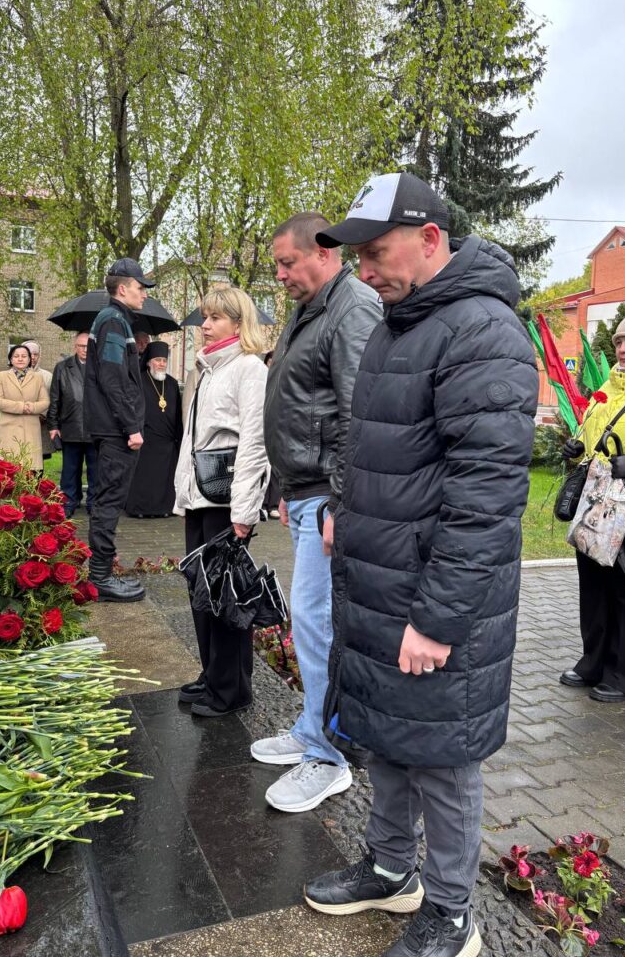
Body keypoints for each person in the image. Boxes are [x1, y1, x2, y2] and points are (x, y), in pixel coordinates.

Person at [303, 173, 538, 957]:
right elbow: (382, 443)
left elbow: (486, 497)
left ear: (430, 239)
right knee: (390, 735)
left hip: (435, 597)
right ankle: (389, 867)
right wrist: (345, 509)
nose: (363, 269)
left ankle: (451, 912)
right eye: (359, 255)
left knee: (442, 757)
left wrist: (437, 620)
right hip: (382, 581)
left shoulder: (482, 330)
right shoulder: (401, 322)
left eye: (376, 252)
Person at [251, 211, 381, 813]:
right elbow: (302, 403)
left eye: (287, 262)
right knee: (310, 622)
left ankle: (330, 756)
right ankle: (311, 729)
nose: (280, 275)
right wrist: (287, 486)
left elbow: (359, 414)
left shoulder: (351, 309)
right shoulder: (311, 308)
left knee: (318, 624)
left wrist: (339, 500)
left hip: (330, 498)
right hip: (306, 492)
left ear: (324, 253)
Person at [174, 286, 269, 717]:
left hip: (226, 499)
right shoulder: (209, 368)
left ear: (238, 323)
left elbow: (255, 442)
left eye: (215, 318)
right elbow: (192, 439)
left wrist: (244, 511)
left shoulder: (249, 368)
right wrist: (183, 495)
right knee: (201, 592)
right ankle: (213, 674)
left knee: (226, 597)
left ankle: (232, 689)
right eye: (204, 317)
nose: (205, 325)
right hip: (200, 495)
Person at [559, 312, 625, 703]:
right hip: (598, 500)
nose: (623, 349)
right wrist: (577, 447)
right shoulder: (607, 387)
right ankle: (593, 661)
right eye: (620, 341)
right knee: (593, 583)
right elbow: (592, 433)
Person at [83, 258, 154, 602]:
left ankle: (101, 573)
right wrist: (131, 426)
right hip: (116, 430)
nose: (145, 294)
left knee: (107, 499)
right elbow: (113, 380)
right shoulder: (113, 321)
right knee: (109, 501)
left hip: (113, 428)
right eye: (141, 288)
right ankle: (100, 578)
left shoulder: (116, 320)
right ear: (123, 289)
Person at [126, 341, 183, 517]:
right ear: (149, 362)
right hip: (146, 439)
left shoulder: (172, 383)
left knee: (164, 478)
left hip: (167, 441)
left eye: (164, 360)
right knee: (145, 477)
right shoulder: (139, 381)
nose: (161, 364)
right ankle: (141, 509)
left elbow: (178, 414)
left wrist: (179, 440)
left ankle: (164, 509)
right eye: (158, 360)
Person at [48, 332, 98, 518]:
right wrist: (53, 425)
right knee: (70, 469)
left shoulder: (101, 366)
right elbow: (55, 398)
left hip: (95, 428)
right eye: (81, 346)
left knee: (95, 469)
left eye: (88, 346)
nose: (85, 349)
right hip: (70, 425)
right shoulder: (62, 367)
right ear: (75, 347)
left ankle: (93, 502)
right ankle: (69, 501)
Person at [0, 344, 50, 471]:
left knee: (30, 469)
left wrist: (32, 407)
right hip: (8, 429)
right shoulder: (2, 376)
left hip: (30, 429)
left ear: (29, 359)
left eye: (24, 356)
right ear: (11, 359)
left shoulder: (38, 378)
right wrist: (21, 407)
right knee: (7, 469)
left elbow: (45, 402)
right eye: (16, 356)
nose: (20, 359)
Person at [22, 340, 54, 462]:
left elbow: (53, 398)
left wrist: (42, 415)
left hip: (40, 426)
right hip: (18, 425)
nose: (33, 357)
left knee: (37, 462)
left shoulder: (47, 376)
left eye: (36, 354)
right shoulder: (11, 375)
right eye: (29, 353)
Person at [261, 351, 281, 518]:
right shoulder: (259, 378)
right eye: (269, 361)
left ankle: (273, 504)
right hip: (261, 427)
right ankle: (262, 503)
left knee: (275, 468)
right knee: (261, 467)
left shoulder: (282, 379)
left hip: (277, 428)